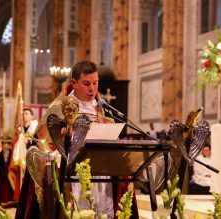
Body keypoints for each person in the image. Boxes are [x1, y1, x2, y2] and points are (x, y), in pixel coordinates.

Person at [15, 61, 139, 218]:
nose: (92, 89)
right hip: (71, 175)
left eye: (95, 83)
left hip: (102, 177)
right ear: (73, 83)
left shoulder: (103, 110)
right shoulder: (58, 108)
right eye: (86, 84)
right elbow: (43, 143)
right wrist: (65, 137)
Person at [8, 108, 38, 200]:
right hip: (21, 157)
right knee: (21, 178)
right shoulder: (19, 129)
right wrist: (20, 139)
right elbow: (13, 143)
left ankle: (31, 198)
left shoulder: (35, 127)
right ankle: (21, 198)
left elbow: (39, 141)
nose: (24, 115)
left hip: (32, 157)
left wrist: (29, 141)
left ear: (32, 116)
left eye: (26, 113)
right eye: (23, 114)